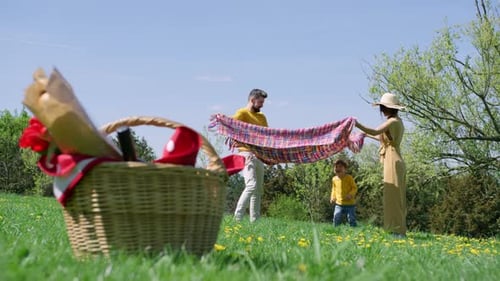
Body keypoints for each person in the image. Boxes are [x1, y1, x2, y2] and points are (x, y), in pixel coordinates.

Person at [355, 92, 407, 238]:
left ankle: (396, 231)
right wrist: (365, 135)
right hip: (392, 157)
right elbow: (380, 137)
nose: (382, 110)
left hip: (393, 159)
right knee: (391, 196)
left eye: (384, 107)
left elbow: (375, 130)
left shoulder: (393, 122)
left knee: (394, 197)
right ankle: (393, 229)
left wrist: (357, 124)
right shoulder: (394, 121)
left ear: (390, 108)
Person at [233, 89, 269, 222]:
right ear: (252, 100)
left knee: (258, 190)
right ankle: (237, 218)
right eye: (260, 102)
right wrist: (242, 150)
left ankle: (255, 221)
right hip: (246, 153)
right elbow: (231, 127)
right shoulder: (242, 113)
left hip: (259, 155)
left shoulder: (262, 117)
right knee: (251, 185)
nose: (262, 105)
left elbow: (267, 136)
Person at [330, 159, 358, 227]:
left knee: (351, 219)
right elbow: (334, 189)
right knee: (336, 217)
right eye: (336, 167)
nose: (338, 169)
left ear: (345, 169)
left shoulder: (349, 178)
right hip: (339, 204)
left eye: (340, 167)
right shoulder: (334, 179)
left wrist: (350, 194)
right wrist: (332, 197)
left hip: (350, 204)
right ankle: (335, 230)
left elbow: (354, 188)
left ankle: (354, 230)